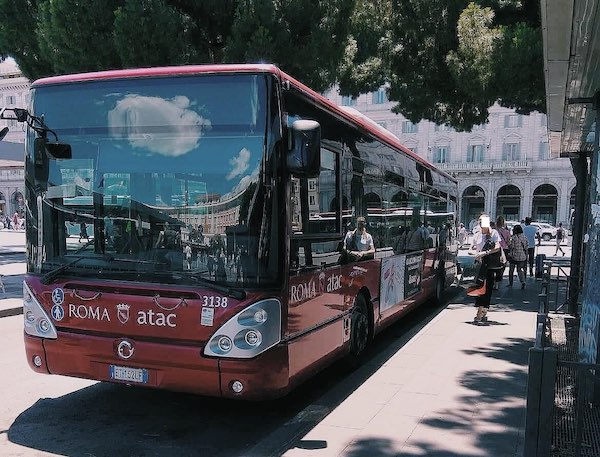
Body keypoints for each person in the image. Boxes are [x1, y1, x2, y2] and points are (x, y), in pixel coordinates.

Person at [468, 214, 502, 323]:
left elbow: (497, 247)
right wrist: (475, 253)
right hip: (479, 265)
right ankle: (483, 309)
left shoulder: (494, 233)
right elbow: (471, 248)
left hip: (490, 265)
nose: (482, 225)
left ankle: (480, 312)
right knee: (479, 288)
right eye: (481, 222)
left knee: (487, 288)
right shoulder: (477, 235)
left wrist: (485, 252)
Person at [507, 224, 528, 289]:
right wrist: (526, 256)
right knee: (519, 270)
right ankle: (523, 281)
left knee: (511, 270)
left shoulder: (513, 238)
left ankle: (510, 283)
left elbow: (511, 247)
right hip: (522, 256)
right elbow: (526, 247)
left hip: (514, 256)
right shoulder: (524, 237)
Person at [495, 216, 511, 289]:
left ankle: (495, 282)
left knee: (495, 265)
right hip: (505, 249)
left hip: (496, 249)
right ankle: (499, 279)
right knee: (502, 265)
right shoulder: (507, 232)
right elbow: (508, 242)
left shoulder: (494, 231)